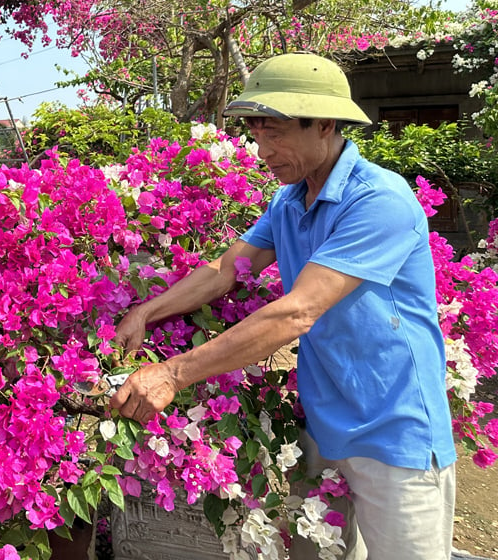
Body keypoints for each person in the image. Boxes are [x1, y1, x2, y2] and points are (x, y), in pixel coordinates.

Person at [110, 53, 456, 560]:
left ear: (326, 125)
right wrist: (147, 311)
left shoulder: (379, 200)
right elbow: (226, 269)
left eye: (275, 133)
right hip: (325, 423)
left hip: (395, 431)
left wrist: (172, 374)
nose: (262, 149)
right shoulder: (290, 200)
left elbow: (298, 311)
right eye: (255, 133)